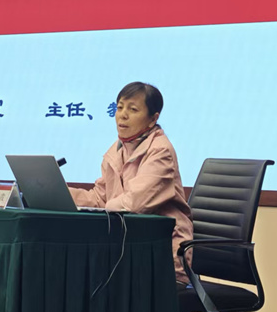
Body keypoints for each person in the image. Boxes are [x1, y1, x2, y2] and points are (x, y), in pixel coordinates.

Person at [69, 82, 193, 284]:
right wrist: (61, 193)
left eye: (133, 109)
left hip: (161, 257)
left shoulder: (160, 151)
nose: (122, 115)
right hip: (127, 253)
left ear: (153, 119)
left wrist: (104, 208)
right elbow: (100, 198)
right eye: (119, 107)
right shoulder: (118, 149)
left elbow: (134, 204)